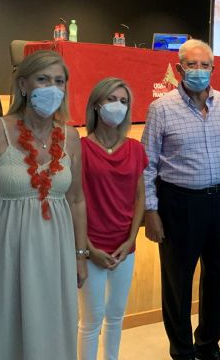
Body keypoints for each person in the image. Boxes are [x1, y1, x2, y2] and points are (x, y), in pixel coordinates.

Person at [0, 50, 88, 360]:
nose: (52, 87)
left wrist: (80, 255)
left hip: (54, 254)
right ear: (23, 85)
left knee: (51, 331)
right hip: (0, 254)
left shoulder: (70, 137)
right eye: (43, 79)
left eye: (59, 81)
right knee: (3, 331)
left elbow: (76, 200)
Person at [141, 39, 220, 360]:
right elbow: (147, 164)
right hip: (178, 204)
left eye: (205, 65)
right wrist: (150, 211)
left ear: (214, 68)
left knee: (217, 277)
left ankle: (209, 344)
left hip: (218, 202)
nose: (199, 71)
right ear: (180, 69)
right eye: (192, 65)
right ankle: (182, 351)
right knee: (178, 282)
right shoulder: (161, 108)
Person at [78, 78, 148, 360]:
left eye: (123, 101)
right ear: (96, 105)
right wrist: (87, 248)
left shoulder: (135, 149)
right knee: (91, 320)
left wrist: (131, 239)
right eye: (111, 100)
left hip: (124, 247)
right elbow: (73, 201)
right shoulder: (80, 148)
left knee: (116, 316)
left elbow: (140, 197)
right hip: (90, 247)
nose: (117, 106)